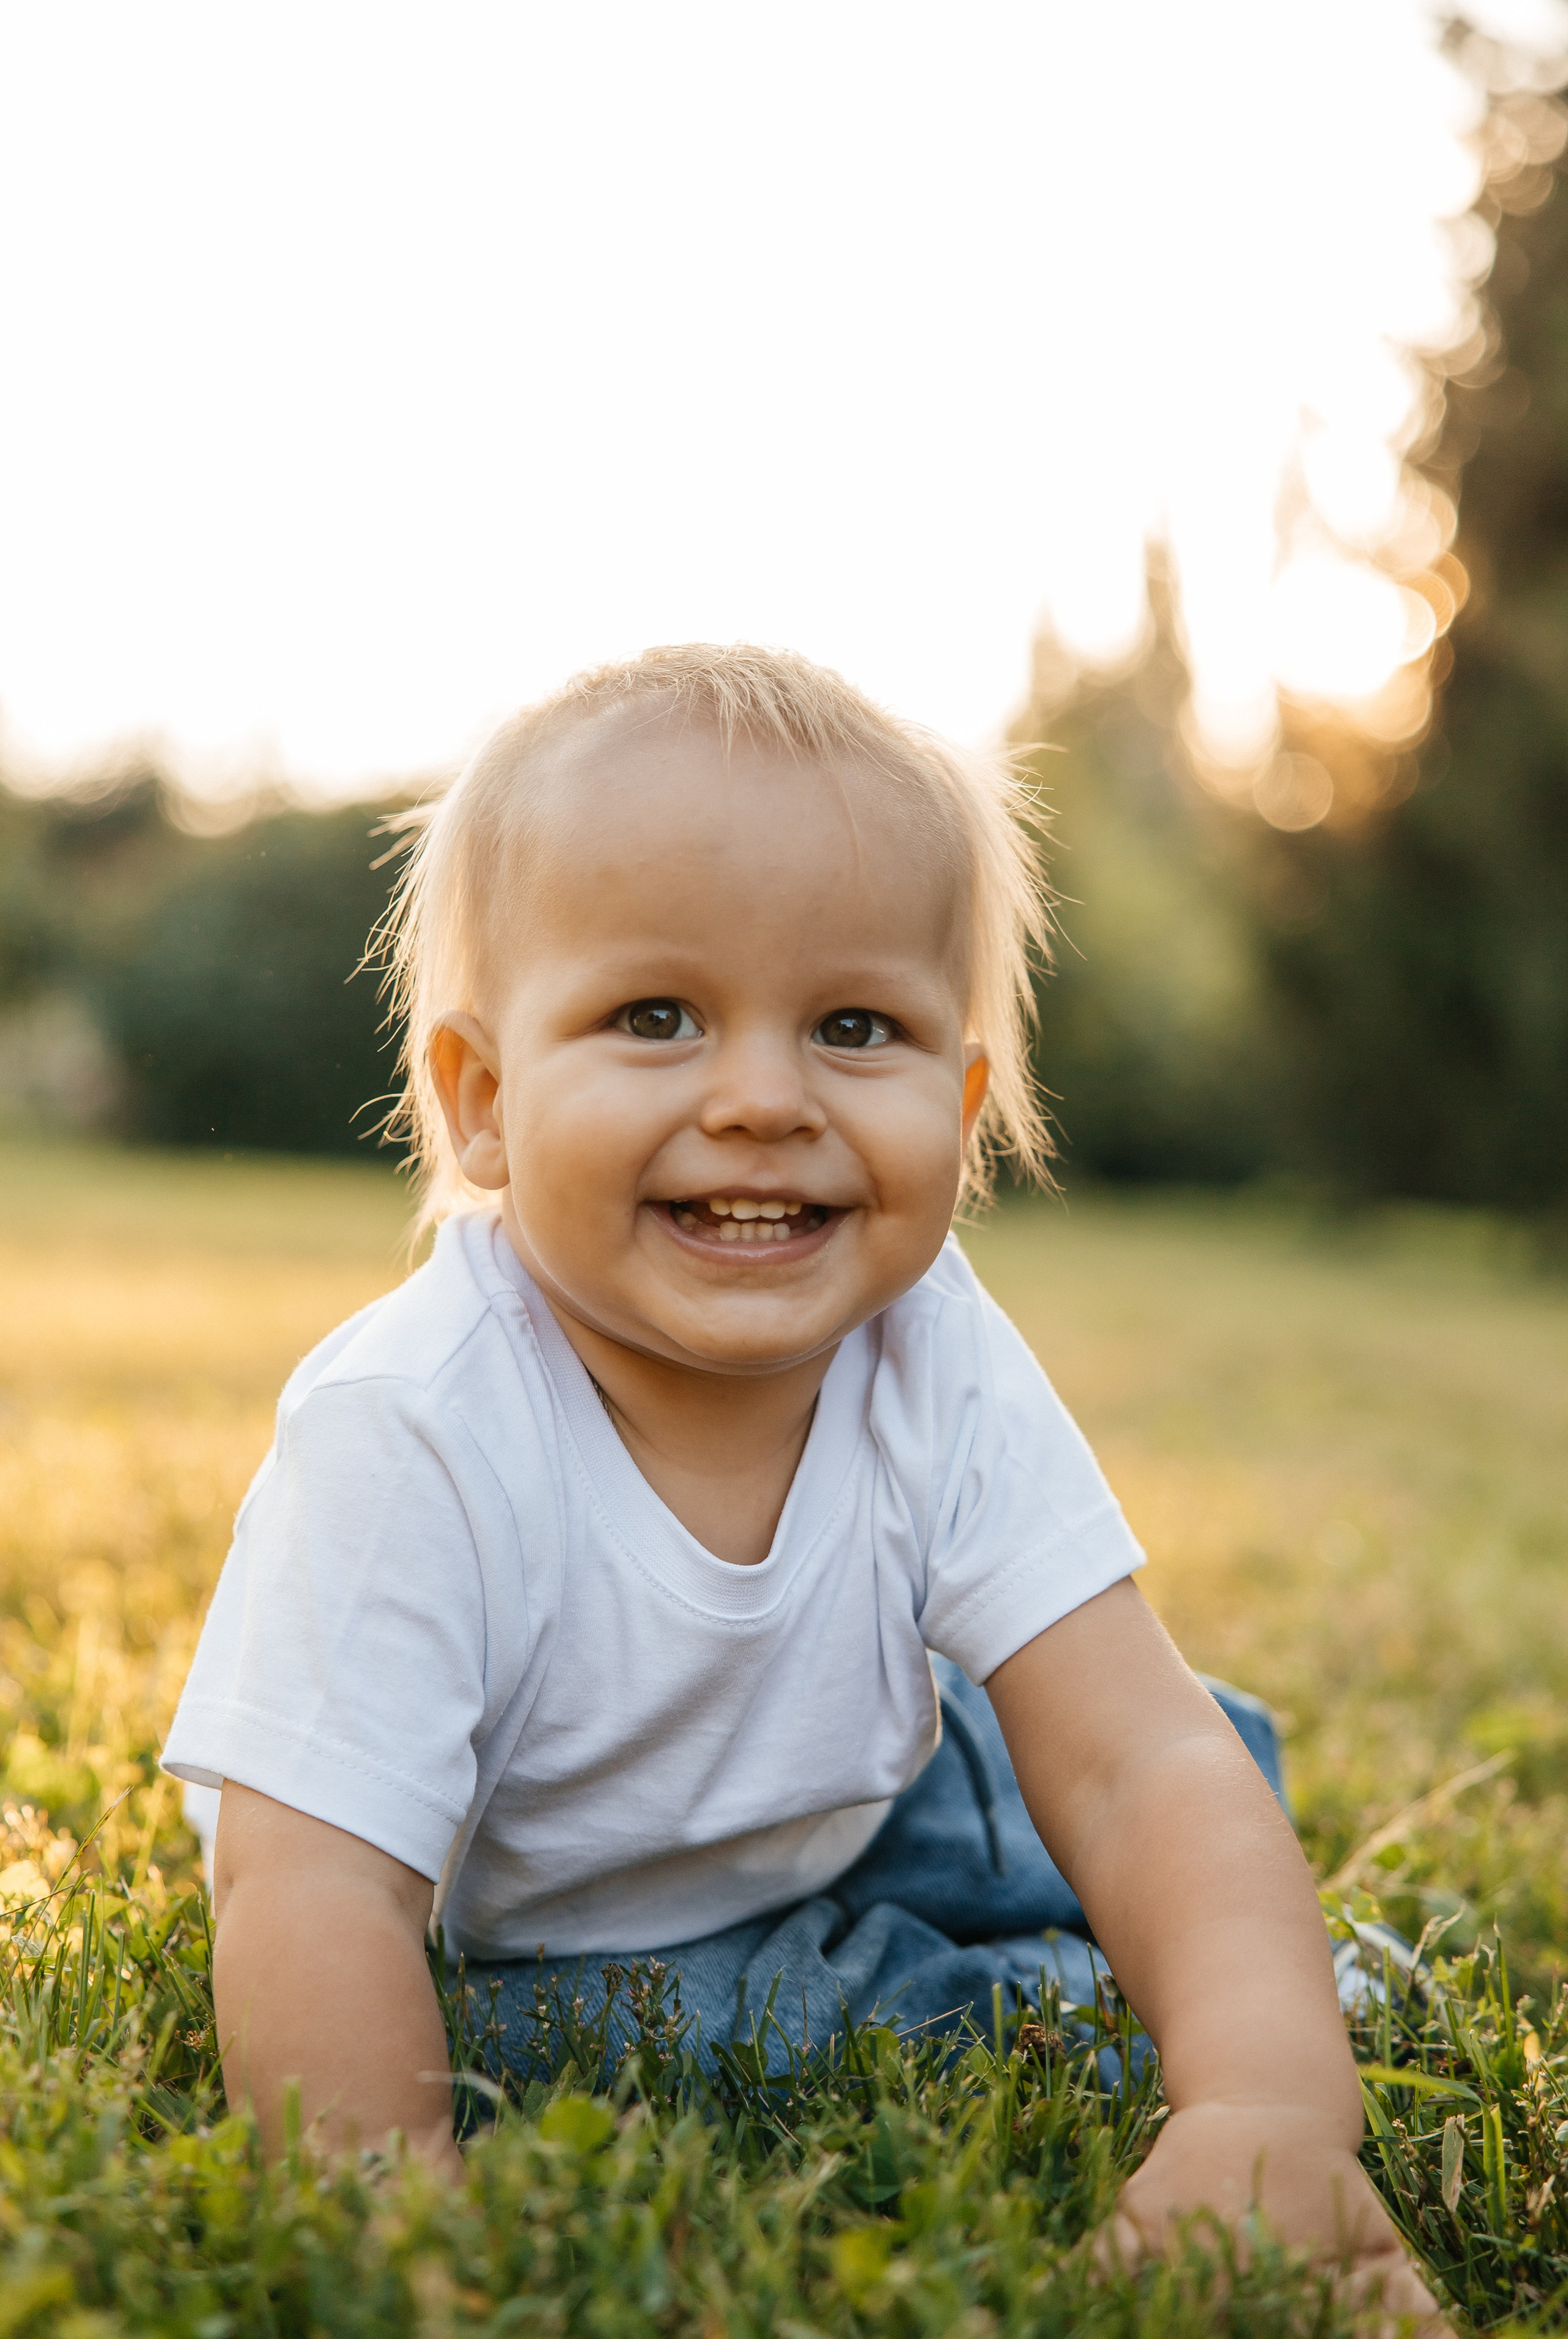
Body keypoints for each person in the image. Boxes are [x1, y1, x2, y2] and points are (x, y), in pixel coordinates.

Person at [163, 643, 1436, 2320]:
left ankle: (1246, 1980)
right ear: (482, 1102)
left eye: (854, 1027)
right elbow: (317, 1882)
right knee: (686, 2030)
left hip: (842, 1782)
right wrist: (387, 2223)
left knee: (1175, 1765)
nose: (764, 1100)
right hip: (544, 1908)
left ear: (962, 1109)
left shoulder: (932, 1342)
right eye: (655, 1018)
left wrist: (1273, 2110)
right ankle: (1056, 1975)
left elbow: (1134, 1760)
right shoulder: (411, 1430)